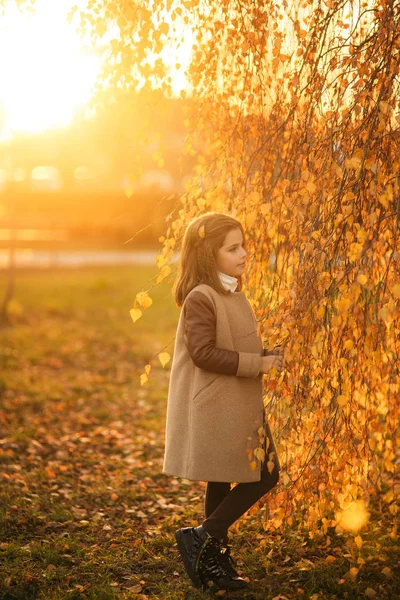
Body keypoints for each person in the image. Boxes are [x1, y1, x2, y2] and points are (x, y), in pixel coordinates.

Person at [162, 212, 285, 593]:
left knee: (222, 476)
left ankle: (212, 557)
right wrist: (257, 363)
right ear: (207, 254)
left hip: (237, 401)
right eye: (233, 248)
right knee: (267, 474)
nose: (244, 253)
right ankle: (204, 535)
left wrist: (266, 353)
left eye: (243, 245)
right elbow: (204, 353)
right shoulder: (202, 297)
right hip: (217, 403)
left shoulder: (233, 291)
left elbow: (232, 345)